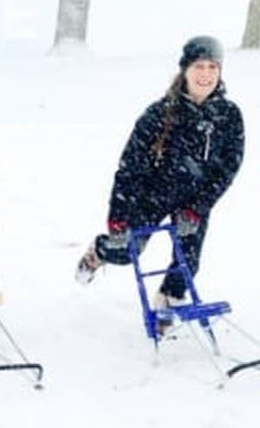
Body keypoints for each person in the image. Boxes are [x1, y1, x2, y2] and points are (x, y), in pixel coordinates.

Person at [75, 35, 244, 321]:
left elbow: (228, 167)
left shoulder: (228, 116)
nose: (205, 75)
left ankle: (168, 303)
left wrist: (198, 207)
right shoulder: (159, 114)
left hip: (193, 201)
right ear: (185, 70)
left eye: (212, 67)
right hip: (151, 195)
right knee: (127, 252)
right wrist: (118, 216)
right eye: (198, 67)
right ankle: (99, 252)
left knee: (187, 263)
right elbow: (129, 167)